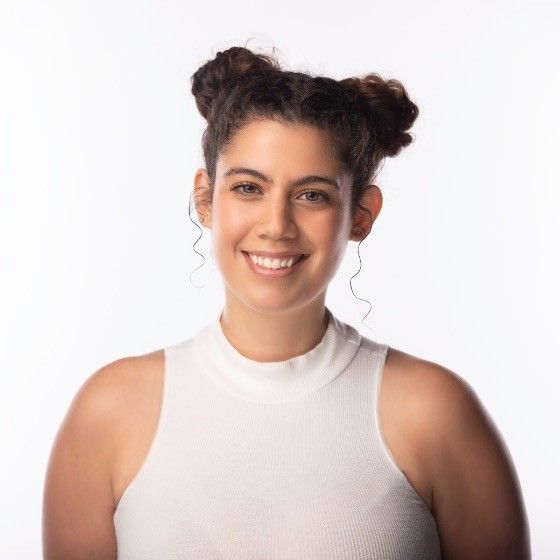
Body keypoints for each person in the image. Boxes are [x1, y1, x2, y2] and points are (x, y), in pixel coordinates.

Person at [42, 46, 531, 559]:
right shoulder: (110, 414)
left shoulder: (435, 416)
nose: (276, 225)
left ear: (361, 214)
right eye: (248, 187)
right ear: (206, 198)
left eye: (312, 194)